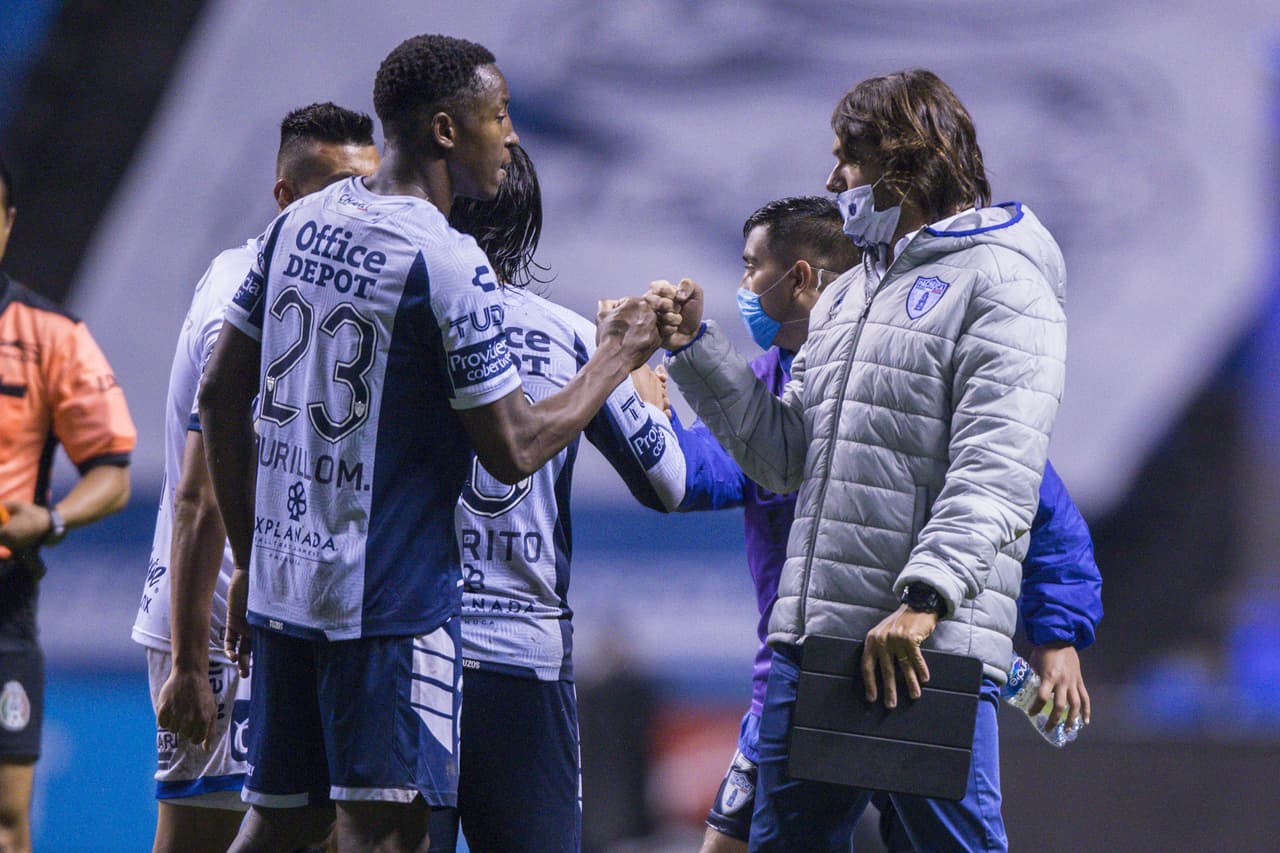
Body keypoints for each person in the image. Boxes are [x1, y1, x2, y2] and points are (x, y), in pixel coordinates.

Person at [197, 34, 662, 853]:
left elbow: (217, 394)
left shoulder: (299, 222)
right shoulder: (446, 262)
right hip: (386, 611)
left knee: (283, 820)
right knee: (386, 835)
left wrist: (248, 554)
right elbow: (514, 447)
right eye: (499, 115)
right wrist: (616, 357)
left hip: (284, 590)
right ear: (447, 130)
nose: (512, 135)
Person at [654, 69, 1068, 851]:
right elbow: (783, 460)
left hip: (921, 653)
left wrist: (925, 601)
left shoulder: (1006, 283)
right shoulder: (849, 295)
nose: (832, 179)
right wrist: (695, 354)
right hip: (815, 648)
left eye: (847, 157)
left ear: (903, 162)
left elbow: (999, 472)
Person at [130, 103, 380, 853]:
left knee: (324, 831)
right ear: (283, 195)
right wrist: (186, 664)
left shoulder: (335, 287)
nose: (353, 208)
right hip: (216, 620)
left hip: (297, 611)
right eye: (336, 187)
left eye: (367, 190)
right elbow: (200, 495)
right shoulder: (239, 297)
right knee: (202, 831)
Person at [425, 143, 688, 853]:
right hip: (524, 662)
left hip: (414, 648)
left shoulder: (394, 322)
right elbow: (669, 481)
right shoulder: (572, 336)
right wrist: (646, 396)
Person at [0, 154, 135, 853]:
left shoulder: (52, 335)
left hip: (4, 604)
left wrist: (51, 518)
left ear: (9, 223)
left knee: (5, 817)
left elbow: (112, 470)